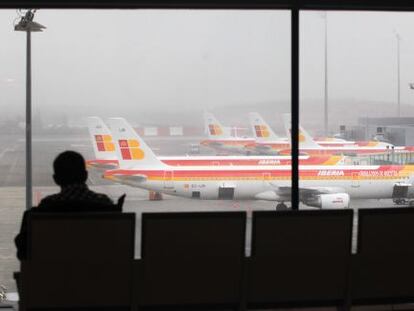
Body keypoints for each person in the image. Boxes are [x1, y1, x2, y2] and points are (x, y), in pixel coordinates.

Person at [14, 150, 124, 260]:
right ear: (85, 175)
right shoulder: (106, 205)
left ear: (56, 179)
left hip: (52, 274)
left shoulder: (43, 210)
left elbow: (23, 254)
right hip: (100, 274)